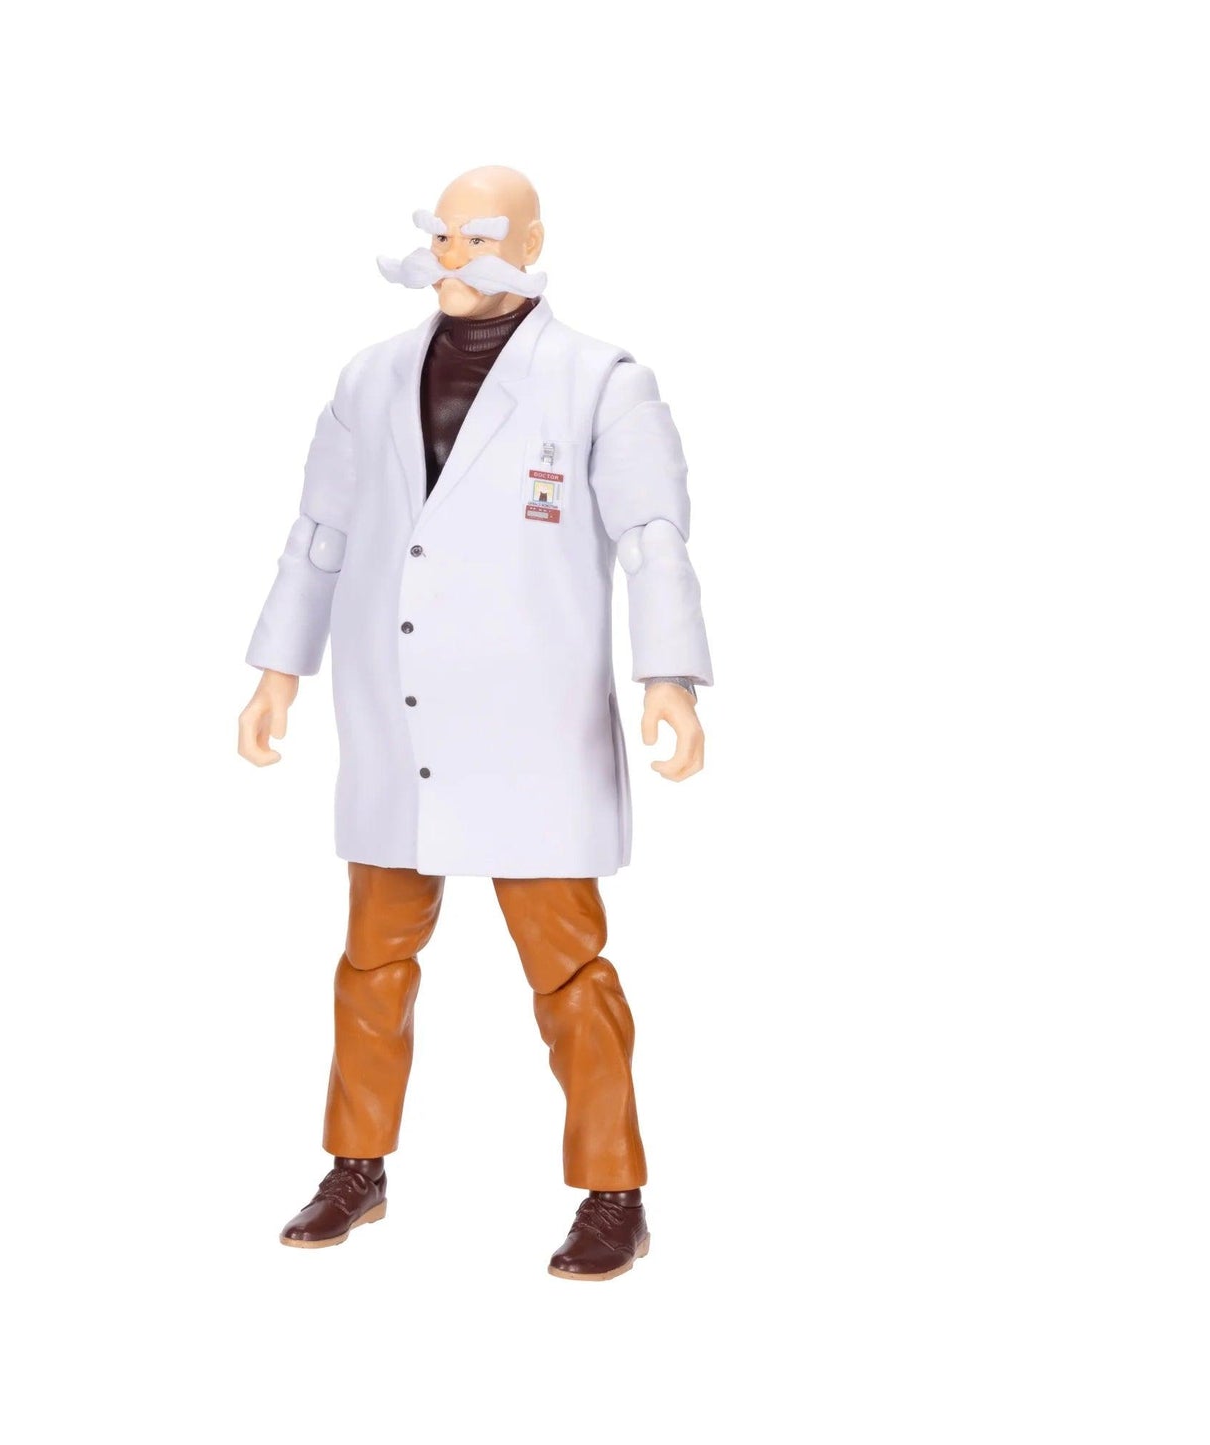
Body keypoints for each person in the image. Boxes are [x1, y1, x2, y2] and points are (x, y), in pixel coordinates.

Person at [239, 165, 712, 1280]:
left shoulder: (600, 380)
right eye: (440, 234)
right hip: (394, 716)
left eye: (479, 234)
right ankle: (355, 1166)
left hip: (530, 722)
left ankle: (613, 1189)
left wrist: (668, 677)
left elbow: (650, 535)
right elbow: (319, 534)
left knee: (567, 966)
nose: (452, 254)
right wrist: (276, 670)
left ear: (532, 242)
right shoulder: (368, 378)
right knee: (372, 957)